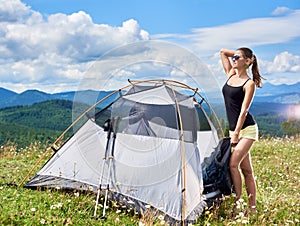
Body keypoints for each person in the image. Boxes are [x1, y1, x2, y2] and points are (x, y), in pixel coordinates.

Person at [220, 47, 262, 215]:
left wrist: (236, 133)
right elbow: (223, 52)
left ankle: (238, 204)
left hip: (247, 130)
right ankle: (252, 208)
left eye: (238, 57)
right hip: (234, 130)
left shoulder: (249, 83)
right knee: (247, 171)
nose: (234, 59)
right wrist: (240, 55)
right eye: (234, 57)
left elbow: (244, 111)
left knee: (232, 164)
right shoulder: (230, 73)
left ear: (247, 62)